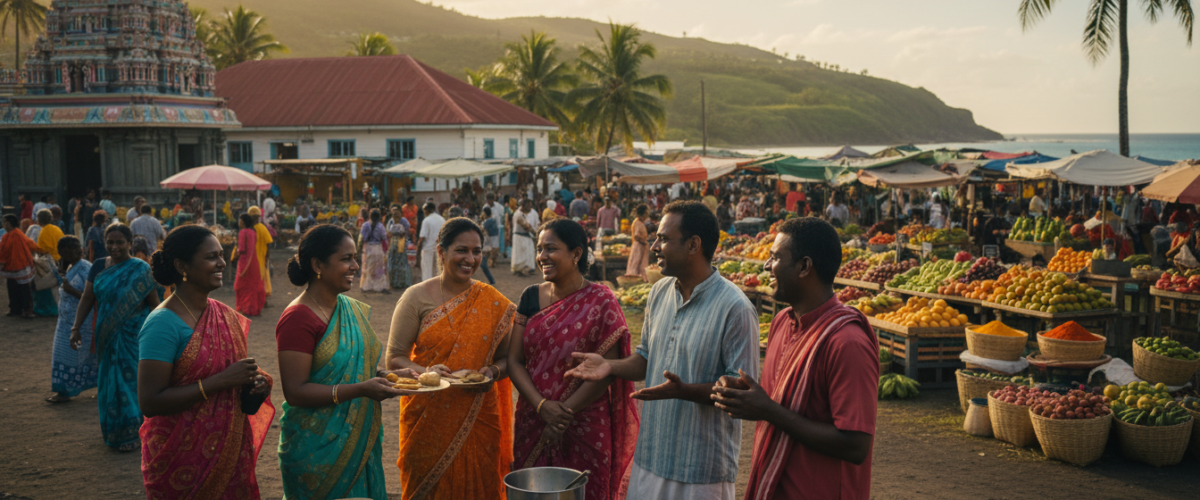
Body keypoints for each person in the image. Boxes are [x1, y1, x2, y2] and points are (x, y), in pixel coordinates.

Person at [565, 201, 759, 500]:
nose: (654, 246)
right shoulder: (659, 292)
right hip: (651, 456)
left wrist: (684, 391)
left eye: (664, 239)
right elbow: (646, 357)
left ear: (694, 245)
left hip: (700, 470)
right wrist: (610, 366)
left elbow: (742, 393)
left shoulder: (735, 308)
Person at [712, 217, 878, 500]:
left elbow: (856, 446)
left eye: (775, 257)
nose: (766, 266)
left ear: (804, 267)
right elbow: (784, 401)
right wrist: (746, 395)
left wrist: (767, 410)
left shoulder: (847, 343)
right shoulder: (781, 323)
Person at [276, 224, 415, 499]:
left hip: (357, 443)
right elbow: (295, 391)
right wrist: (363, 389)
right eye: (346, 259)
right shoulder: (298, 318)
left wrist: (386, 376)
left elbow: (352, 368)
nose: (355, 266)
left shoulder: (347, 308)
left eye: (355, 257)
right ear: (317, 264)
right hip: (317, 450)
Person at [137, 225, 275, 498]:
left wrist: (254, 386)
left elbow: (237, 393)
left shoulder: (224, 314)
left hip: (230, 454)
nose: (222, 263)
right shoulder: (162, 323)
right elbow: (150, 401)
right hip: (180, 461)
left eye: (222, 255)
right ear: (182, 266)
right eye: (212, 257)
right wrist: (222, 381)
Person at [508, 219, 639, 500]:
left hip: (586, 422)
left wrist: (562, 414)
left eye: (551, 249)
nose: (542, 256)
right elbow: (514, 361)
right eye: (540, 249)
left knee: (585, 491)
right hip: (534, 418)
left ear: (576, 254)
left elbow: (608, 370)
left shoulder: (602, 300)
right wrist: (543, 407)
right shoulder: (530, 296)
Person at [386, 217, 515, 500]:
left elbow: (510, 359)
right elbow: (394, 358)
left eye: (476, 251)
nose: (470, 259)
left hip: (479, 415)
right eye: (461, 250)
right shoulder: (415, 298)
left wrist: (492, 372)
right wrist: (426, 371)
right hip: (427, 417)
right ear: (441, 252)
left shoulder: (492, 300)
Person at [70, 223, 160, 451]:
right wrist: (76, 327)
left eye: (120, 242)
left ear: (129, 244)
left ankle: (134, 432)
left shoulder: (140, 268)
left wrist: (160, 333)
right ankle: (114, 431)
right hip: (106, 335)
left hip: (135, 335)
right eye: (110, 242)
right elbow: (88, 299)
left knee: (132, 382)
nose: (114, 246)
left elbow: (154, 304)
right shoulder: (98, 267)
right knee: (109, 383)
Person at [47, 236, 98, 402]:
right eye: (71, 250)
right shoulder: (71, 266)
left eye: (77, 249)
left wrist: (71, 290)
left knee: (73, 356)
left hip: (80, 323)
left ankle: (64, 392)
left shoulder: (86, 268)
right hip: (66, 322)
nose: (76, 252)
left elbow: (93, 297)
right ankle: (64, 390)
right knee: (66, 355)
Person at [1, 214, 42, 317]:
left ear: (8, 224)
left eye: (4, 222)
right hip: (22, 265)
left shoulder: (9, 235)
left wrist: (2, 263)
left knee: (15, 289)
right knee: (23, 289)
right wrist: (41, 250)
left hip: (15, 266)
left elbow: (4, 251)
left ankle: (17, 309)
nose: (3, 224)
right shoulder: (18, 233)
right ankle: (25, 310)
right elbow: (31, 243)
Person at [232, 214, 266, 316]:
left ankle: (243, 308)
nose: (238, 222)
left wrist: (235, 254)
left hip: (244, 261)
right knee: (252, 286)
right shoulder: (253, 232)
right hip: (254, 262)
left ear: (242, 222)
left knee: (240, 285)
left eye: (240, 220)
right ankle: (251, 308)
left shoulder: (242, 232)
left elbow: (242, 249)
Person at [34, 209, 65, 316]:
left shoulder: (43, 231)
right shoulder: (57, 229)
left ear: (38, 220)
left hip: (49, 262)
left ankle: (48, 309)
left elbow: (43, 250)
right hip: (60, 260)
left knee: (46, 287)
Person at [359, 208, 390, 293]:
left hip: (368, 247)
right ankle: (379, 287)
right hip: (378, 247)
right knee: (379, 269)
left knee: (368, 267)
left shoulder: (365, 225)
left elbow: (362, 238)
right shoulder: (381, 226)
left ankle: (367, 286)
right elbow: (384, 238)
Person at [247, 206, 274, 306]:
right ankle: (262, 301)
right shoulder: (262, 228)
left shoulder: (248, 229)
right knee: (263, 280)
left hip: (253, 259)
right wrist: (267, 258)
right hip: (261, 258)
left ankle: (257, 301)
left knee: (254, 280)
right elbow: (269, 244)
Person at [417, 202, 445, 282]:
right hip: (439, 248)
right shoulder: (441, 219)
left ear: (426, 210)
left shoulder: (426, 221)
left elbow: (422, 238)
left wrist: (417, 252)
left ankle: (427, 290)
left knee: (427, 272)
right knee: (438, 271)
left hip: (427, 249)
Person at [387, 205, 413, 290]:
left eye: (397, 213)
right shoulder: (391, 221)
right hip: (393, 243)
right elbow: (388, 231)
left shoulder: (404, 221)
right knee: (393, 261)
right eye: (394, 213)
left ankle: (402, 282)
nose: (395, 215)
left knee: (401, 262)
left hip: (401, 242)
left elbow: (407, 230)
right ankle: (394, 282)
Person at [511, 199, 540, 276]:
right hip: (519, 236)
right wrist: (533, 231)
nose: (530, 208)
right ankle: (519, 269)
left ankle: (529, 268)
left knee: (529, 253)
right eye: (528, 206)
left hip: (527, 236)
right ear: (524, 206)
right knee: (520, 254)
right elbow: (525, 226)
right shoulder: (518, 214)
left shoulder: (530, 213)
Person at [626, 204, 651, 280]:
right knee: (635, 265)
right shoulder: (637, 223)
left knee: (641, 265)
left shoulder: (639, 222)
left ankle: (641, 279)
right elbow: (637, 236)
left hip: (641, 246)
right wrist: (644, 241)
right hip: (638, 247)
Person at [478, 207, 497, 285]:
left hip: (487, 244)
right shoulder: (493, 220)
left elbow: (480, 230)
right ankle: (491, 280)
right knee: (482, 263)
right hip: (491, 243)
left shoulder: (486, 222)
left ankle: (491, 280)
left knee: (482, 263)